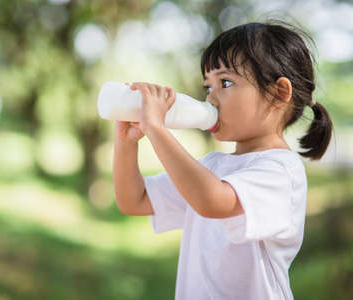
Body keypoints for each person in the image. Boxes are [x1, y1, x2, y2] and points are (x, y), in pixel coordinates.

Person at [112, 20, 334, 300]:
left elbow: (212, 201)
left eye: (225, 83)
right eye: (208, 86)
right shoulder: (213, 166)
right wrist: (125, 143)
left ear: (278, 94)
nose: (211, 99)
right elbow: (135, 200)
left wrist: (156, 128)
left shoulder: (281, 172)